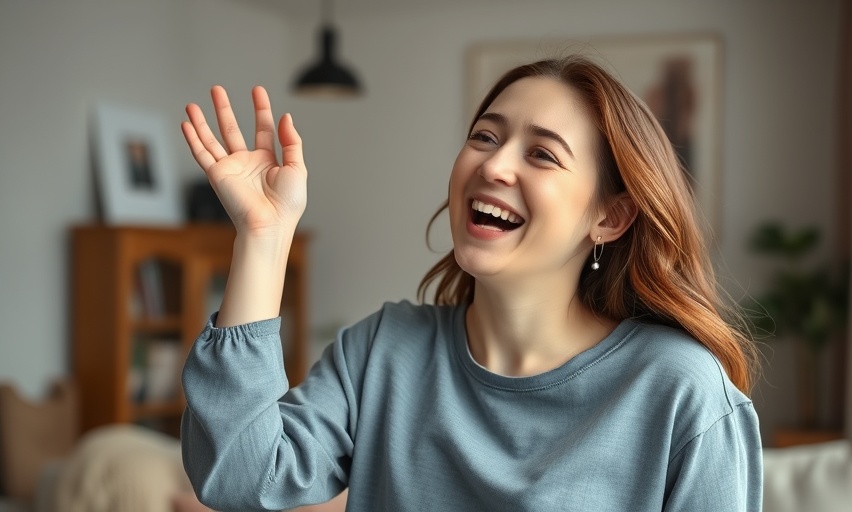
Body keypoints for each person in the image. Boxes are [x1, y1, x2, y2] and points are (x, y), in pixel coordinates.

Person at [179, 55, 763, 512]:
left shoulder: (681, 391)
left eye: (542, 154)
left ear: (609, 217)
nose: (494, 165)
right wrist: (264, 236)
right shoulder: (384, 351)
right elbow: (238, 476)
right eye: (485, 136)